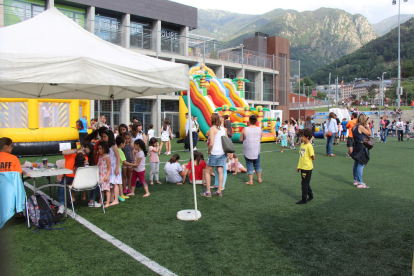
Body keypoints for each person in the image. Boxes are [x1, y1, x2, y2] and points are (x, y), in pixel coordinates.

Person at [200, 113, 227, 197]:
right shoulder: (223, 129)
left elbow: (211, 143)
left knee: (207, 172)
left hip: (215, 153)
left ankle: (208, 192)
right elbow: (226, 140)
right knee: (220, 171)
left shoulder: (212, 128)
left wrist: (208, 151)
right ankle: (219, 191)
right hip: (222, 153)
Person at [240, 114, 263, 185]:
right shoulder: (259, 129)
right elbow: (260, 138)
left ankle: (250, 181)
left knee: (249, 164)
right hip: (256, 149)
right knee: (257, 164)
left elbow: (241, 139)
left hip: (248, 150)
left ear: (249, 121)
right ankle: (259, 179)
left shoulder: (245, 129)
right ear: (256, 121)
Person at [351, 114, 372, 189]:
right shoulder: (360, 127)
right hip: (361, 146)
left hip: (356, 145)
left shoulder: (354, 127)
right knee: (361, 164)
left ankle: (356, 180)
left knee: (356, 163)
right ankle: (360, 182)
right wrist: (367, 125)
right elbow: (370, 133)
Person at [116, 136, 139, 201]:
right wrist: (133, 164)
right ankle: (120, 195)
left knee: (117, 183)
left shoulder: (115, 149)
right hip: (118, 169)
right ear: (121, 144)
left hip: (116, 169)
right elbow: (125, 162)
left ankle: (118, 195)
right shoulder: (120, 151)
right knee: (119, 183)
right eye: (124, 143)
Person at [296, 128, 315, 204]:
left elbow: (313, 157)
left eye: (302, 136)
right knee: (305, 183)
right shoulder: (302, 145)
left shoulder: (309, 146)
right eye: (301, 136)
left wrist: (308, 159)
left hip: (307, 168)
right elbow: (301, 156)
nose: (301, 137)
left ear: (307, 137)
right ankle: (310, 196)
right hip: (302, 167)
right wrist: (298, 166)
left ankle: (304, 199)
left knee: (304, 184)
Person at [97, 142, 111, 208]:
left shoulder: (107, 157)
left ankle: (107, 202)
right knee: (101, 189)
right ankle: (101, 201)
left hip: (105, 175)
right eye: (98, 148)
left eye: (101, 148)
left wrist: (107, 176)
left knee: (107, 189)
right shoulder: (99, 156)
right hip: (100, 175)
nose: (99, 150)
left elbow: (109, 168)